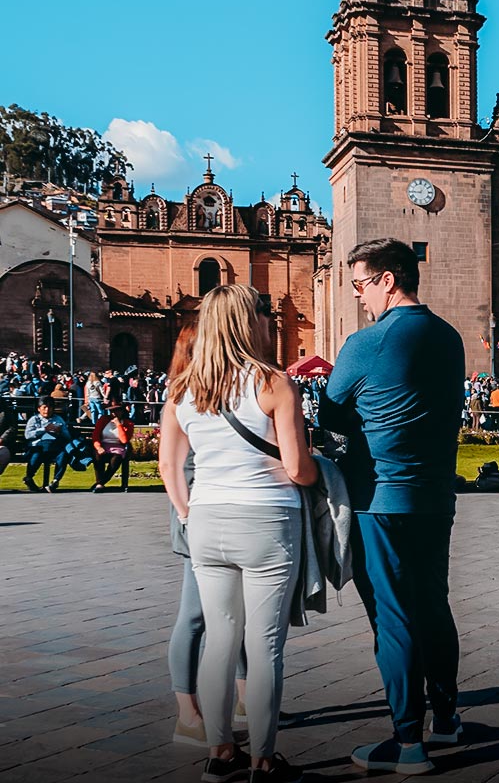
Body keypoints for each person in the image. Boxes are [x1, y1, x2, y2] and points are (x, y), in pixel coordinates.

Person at [319, 238, 465, 776]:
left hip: (378, 500)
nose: (358, 296)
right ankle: (446, 718)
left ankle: (408, 743)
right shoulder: (449, 337)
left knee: (393, 616)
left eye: (360, 284)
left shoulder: (367, 342)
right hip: (434, 497)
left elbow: (329, 417)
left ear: (388, 279)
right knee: (434, 605)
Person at [160, 284, 317, 783]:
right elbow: (297, 468)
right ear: (249, 322)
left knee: (220, 641)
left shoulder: (183, 389)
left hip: (206, 518)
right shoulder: (272, 383)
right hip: (266, 519)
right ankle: (264, 758)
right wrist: (318, 469)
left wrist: (187, 513)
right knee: (265, 643)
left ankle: (219, 751)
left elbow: (171, 467)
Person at [163, 319, 250, 750]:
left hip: (223, 512)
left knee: (240, 611)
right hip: (196, 510)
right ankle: (187, 713)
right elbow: (170, 465)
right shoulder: (182, 395)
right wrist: (184, 514)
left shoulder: (227, 387)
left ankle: (247, 698)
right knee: (196, 614)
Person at [23, 396, 71, 492]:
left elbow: (68, 436)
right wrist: (44, 429)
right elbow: (28, 435)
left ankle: (55, 481)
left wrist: (60, 431)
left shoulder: (58, 419)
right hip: (38, 446)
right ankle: (29, 478)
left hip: (54, 447)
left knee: (63, 455)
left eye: (50, 407)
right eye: (44, 407)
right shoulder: (34, 419)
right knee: (36, 454)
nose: (47, 410)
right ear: (39, 408)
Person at [91, 400, 135, 492]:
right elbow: (96, 435)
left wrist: (118, 424)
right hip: (104, 445)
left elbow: (124, 440)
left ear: (122, 411)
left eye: (117, 411)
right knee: (98, 456)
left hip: (118, 447)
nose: (114, 413)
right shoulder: (103, 419)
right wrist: (98, 447)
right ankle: (99, 483)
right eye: (112, 411)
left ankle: (100, 483)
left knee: (116, 460)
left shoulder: (128, 423)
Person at [0, 397, 17, 476]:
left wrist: (2, 438)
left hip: (3, 445)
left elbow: (12, 428)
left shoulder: (6, 412)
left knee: (3, 453)